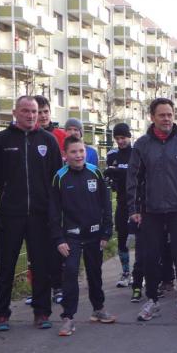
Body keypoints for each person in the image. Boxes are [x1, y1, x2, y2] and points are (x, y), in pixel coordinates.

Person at [0, 95, 63, 331]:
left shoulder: (48, 141)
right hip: (11, 215)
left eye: (34, 111)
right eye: (26, 111)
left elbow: (57, 180)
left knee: (41, 266)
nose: (31, 115)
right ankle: (1, 313)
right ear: (15, 113)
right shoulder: (1, 140)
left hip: (41, 216)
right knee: (5, 265)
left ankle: (42, 312)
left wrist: (57, 212)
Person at [127, 98, 177, 321]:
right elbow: (134, 178)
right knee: (151, 257)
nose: (167, 119)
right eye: (162, 115)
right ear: (152, 117)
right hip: (151, 211)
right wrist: (134, 208)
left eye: (170, 114)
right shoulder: (142, 145)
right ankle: (152, 300)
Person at [49, 136, 114, 336]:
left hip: (95, 234)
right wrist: (59, 239)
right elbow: (53, 212)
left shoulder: (95, 172)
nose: (78, 155)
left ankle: (98, 309)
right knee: (70, 272)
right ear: (65, 155)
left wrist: (106, 231)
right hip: (71, 237)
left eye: (81, 151)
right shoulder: (59, 177)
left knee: (95, 272)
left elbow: (106, 204)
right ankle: (68, 317)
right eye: (73, 152)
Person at [33, 95, 67, 305]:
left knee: (57, 244)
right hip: (35, 202)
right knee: (36, 248)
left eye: (46, 111)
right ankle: (38, 287)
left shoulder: (60, 136)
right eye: (39, 112)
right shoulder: (27, 137)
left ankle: (58, 286)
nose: (43, 116)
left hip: (57, 199)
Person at [105, 122, 144, 295]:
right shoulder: (112, 154)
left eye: (123, 138)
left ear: (129, 136)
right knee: (122, 238)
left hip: (137, 202)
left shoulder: (136, 152)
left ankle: (140, 274)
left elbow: (136, 175)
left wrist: (118, 173)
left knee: (139, 240)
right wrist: (112, 177)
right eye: (117, 138)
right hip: (121, 202)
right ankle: (126, 272)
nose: (120, 141)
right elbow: (110, 175)